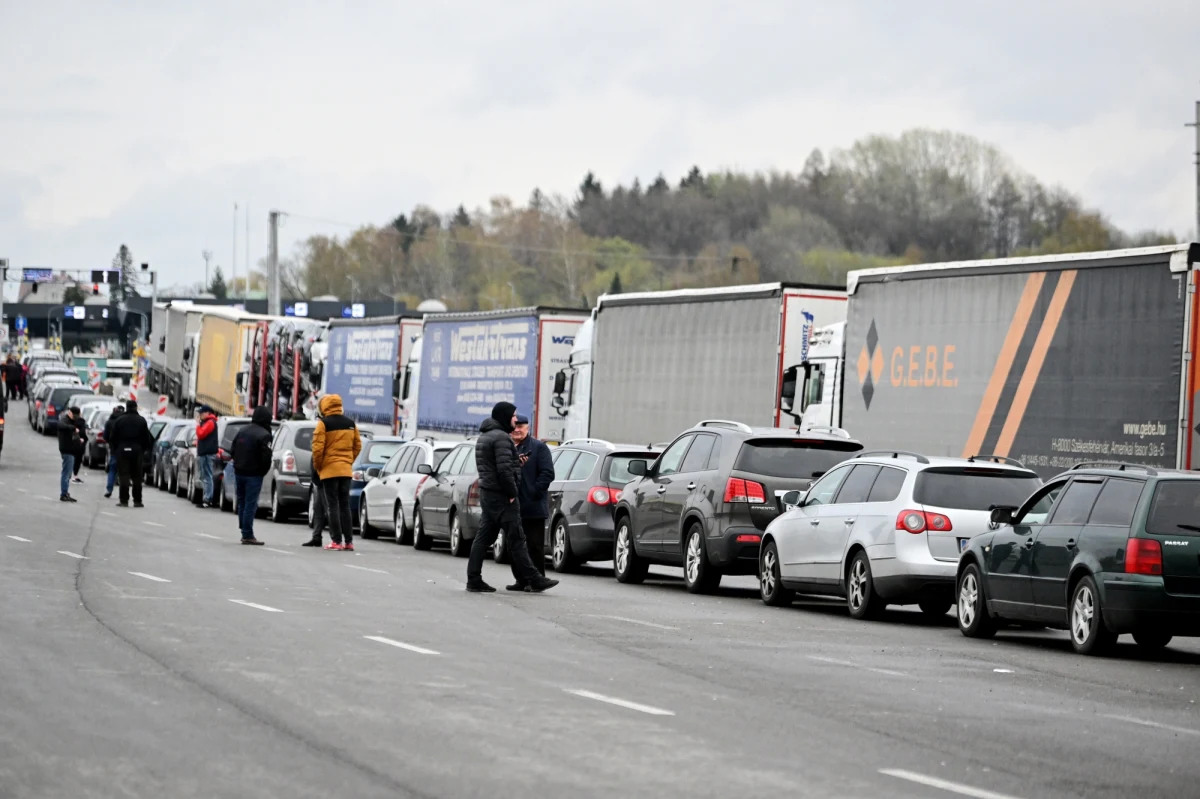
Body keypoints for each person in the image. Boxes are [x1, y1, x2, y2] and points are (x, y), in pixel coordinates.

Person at [465, 401, 557, 594]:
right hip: (501, 496)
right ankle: (534, 579)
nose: (515, 420)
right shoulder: (501, 438)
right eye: (513, 416)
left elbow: (497, 465)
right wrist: (512, 493)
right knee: (517, 539)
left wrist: (516, 463)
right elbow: (504, 471)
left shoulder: (485, 436)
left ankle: (474, 579)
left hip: (489, 494)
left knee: (483, 538)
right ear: (505, 416)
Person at [310, 394, 362, 551]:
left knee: (332, 506)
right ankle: (349, 542)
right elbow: (357, 446)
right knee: (345, 506)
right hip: (345, 471)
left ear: (324, 407)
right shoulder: (351, 424)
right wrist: (347, 461)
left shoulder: (323, 424)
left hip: (329, 471)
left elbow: (317, 449)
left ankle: (336, 541)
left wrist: (319, 467)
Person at [231, 406, 272, 545]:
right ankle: (247, 534)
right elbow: (266, 458)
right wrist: (261, 472)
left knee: (242, 502)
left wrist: (237, 464)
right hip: (253, 475)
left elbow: (233, 449)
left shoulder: (242, 431)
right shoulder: (265, 435)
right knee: (250, 504)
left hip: (239, 472)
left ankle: (244, 528)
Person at [110, 400, 151, 508]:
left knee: (124, 475)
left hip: (122, 450)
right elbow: (146, 438)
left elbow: (113, 437)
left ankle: (124, 500)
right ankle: (137, 500)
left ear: (127, 407)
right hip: (137, 451)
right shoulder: (141, 420)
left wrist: (116, 449)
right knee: (137, 476)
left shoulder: (119, 420)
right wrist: (143, 449)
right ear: (136, 407)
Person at [195, 405, 218, 508]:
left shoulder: (210, 423)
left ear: (208, 413)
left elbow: (201, 434)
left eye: (202, 413)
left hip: (207, 453)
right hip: (205, 453)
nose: (200, 415)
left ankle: (207, 499)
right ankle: (207, 497)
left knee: (207, 476)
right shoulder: (207, 422)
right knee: (205, 476)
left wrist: (197, 425)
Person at [57, 407, 81, 502]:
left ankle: (65, 492)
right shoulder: (64, 420)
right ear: (70, 413)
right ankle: (64, 494)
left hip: (71, 450)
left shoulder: (71, 421)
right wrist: (73, 428)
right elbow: (61, 425)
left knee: (68, 473)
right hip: (67, 450)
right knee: (66, 473)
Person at [301, 470, 328, 547]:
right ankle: (316, 537)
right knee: (318, 507)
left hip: (325, 476)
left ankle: (336, 540)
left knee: (329, 508)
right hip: (319, 478)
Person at [102, 405, 124, 498]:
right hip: (124, 450)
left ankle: (109, 489)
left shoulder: (109, 422)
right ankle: (123, 493)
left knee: (112, 470)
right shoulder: (124, 422)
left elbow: (105, 436)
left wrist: (110, 443)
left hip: (114, 450)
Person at [70, 406, 87, 483]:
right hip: (80, 444)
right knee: (78, 460)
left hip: (71, 443)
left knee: (70, 459)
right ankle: (75, 475)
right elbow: (83, 432)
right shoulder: (82, 422)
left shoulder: (69, 421)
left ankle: (69, 474)